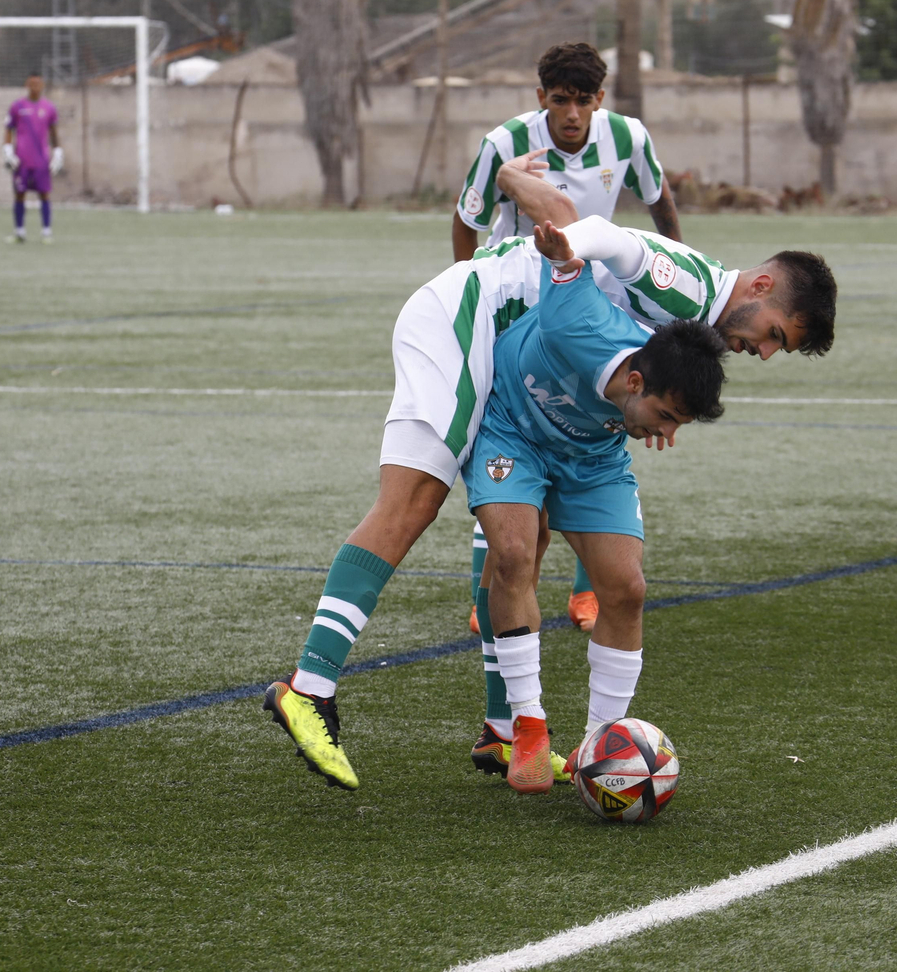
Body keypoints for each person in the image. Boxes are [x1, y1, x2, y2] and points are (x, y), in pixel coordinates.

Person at [263, 152, 836, 792]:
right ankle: (309, 687)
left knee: (521, 545)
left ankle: (505, 731)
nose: (764, 352)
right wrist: (565, 251)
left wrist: (511, 180)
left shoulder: (696, 329)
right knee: (414, 500)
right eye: (774, 334)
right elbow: (601, 234)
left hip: (525, 363)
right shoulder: (691, 290)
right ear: (760, 288)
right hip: (470, 317)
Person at [465, 220, 727, 792]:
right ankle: (528, 729)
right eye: (665, 418)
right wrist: (560, 243)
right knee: (513, 553)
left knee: (627, 589)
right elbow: (566, 253)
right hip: (512, 430)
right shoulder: (576, 322)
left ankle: (597, 746)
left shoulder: (644, 395)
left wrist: (657, 418)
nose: (667, 435)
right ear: (634, 381)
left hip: (593, 459)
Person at [453, 41, 683, 633]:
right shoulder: (505, 143)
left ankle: (587, 593)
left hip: (591, 307)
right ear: (541, 98)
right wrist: (465, 287)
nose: (573, 113)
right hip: (516, 307)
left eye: (584, 100)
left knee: (600, 428)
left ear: (600, 99)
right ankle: (493, 590)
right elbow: (468, 220)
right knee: (506, 436)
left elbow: (659, 202)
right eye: (560, 100)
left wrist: (675, 271)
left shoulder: (628, 137)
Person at [2, 72, 64, 244]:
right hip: (21, 161)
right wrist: (8, 151)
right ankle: (19, 232)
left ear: (42, 85)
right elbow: (8, 129)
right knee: (19, 195)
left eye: (38, 83)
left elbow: (54, 133)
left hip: (41, 161)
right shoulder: (17, 107)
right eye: (32, 83)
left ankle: (46, 232)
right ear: (26, 85)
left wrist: (58, 152)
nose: (35, 87)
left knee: (44, 194)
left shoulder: (49, 108)